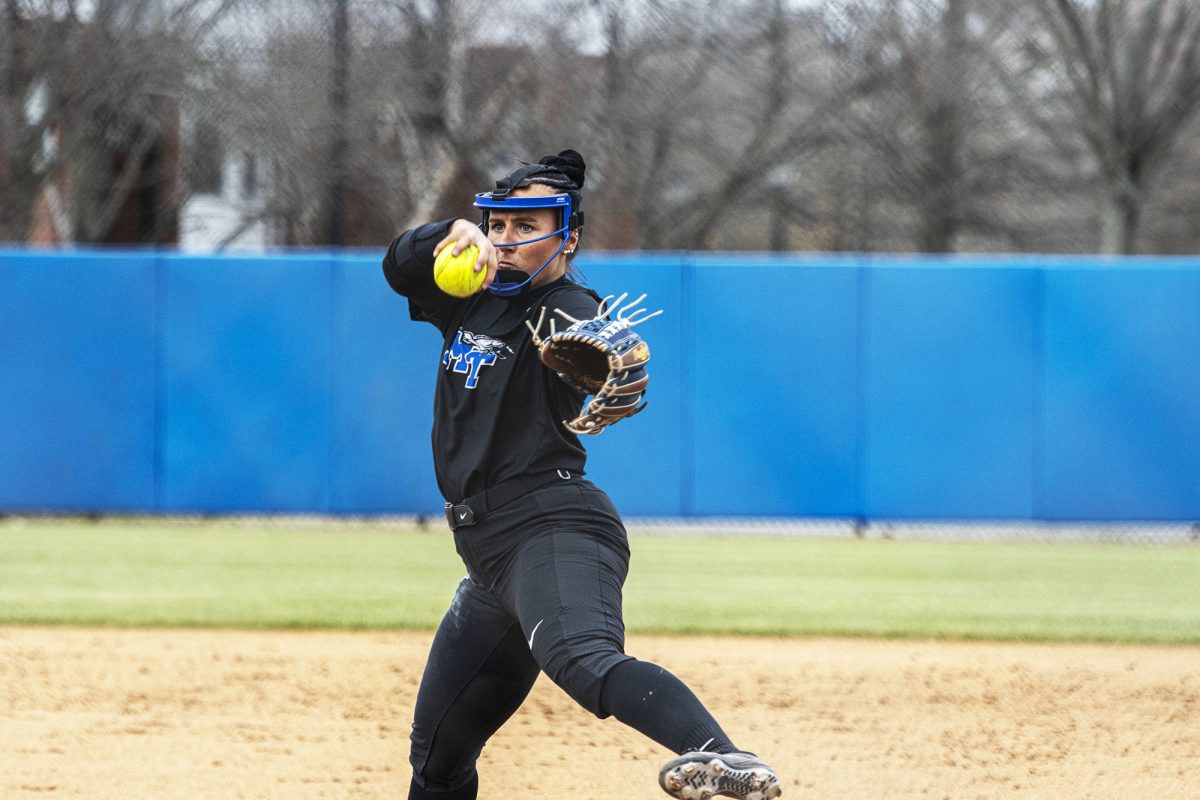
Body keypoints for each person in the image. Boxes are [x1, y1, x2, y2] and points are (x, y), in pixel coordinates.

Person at [382, 149, 782, 800]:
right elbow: (398, 265)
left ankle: (725, 760)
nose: (507, 241)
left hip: (551, 526)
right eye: (499, 226)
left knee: (581, 658)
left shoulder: (564, 307)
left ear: (566, 239)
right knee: (438, 757)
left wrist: (594, 359)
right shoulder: (471, 300)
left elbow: (591, 334)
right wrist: (445, 236)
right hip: (489, 561)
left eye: (527, 226)